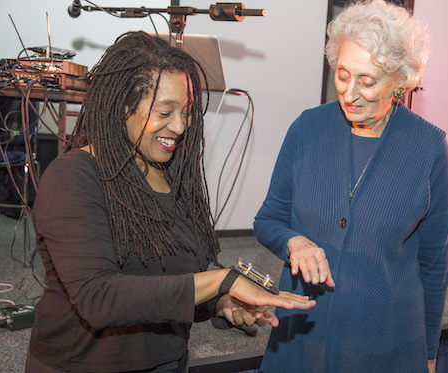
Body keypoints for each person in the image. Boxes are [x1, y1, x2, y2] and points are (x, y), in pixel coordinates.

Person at [25, 31, 315, 373]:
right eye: (164, 112)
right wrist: (222, 281)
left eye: (186, 111)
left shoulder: (173, 177)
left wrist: (222, 301)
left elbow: (177, 279)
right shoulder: (73, 177)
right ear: (122, 107)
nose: (179, 126)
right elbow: (100, 298)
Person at [253, 1, 448, 372]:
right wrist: (293, 241)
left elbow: (433, 265)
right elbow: (269, 219)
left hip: (386, 347)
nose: (350, 92)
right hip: (301, 339)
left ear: (400, 80)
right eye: (343, 74)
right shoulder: (306, 129)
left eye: (368, 80)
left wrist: (428, 352)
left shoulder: (429, 147)